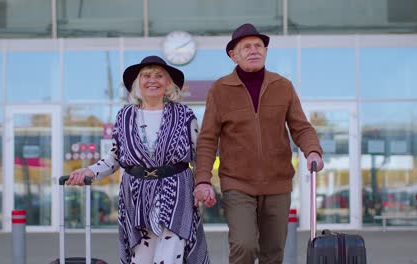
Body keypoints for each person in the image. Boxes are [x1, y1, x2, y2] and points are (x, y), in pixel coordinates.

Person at [193, 23, 325, 264]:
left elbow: (301, 126)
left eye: (258, 46)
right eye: (246, 47)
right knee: (243, 245)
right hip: (237, 183)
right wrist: (202, 179)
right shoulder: (220, 90)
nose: (254, 50)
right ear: (233, 55)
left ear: (265, 51)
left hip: (278, 183)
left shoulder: (282, 86)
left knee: (273, 253)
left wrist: (313, 151)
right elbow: (208, 139)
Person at [66, 55, 210, 264]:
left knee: (168, 258)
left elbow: (200, 154)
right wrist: (89, 171)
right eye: (146, 76)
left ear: (168, 83)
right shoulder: (124, 116)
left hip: (176, 192)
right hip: (136, 195)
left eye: (159, 76)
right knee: (141, 258)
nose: (153, 80)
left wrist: (202, 183)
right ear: (137, 83)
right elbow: (114, 157)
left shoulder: (185, 114)